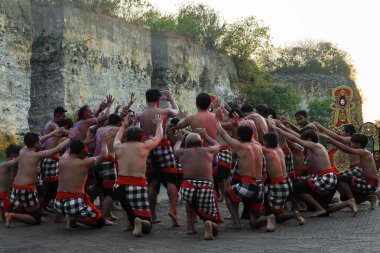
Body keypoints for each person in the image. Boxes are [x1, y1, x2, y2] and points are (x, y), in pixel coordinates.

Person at [269, 121, 358, 217]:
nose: (303, 142)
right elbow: (297, 137)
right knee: (324, 210)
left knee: (297, 188)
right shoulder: (317, 145)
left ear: (309, 139)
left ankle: (319, 208)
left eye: (305, 140)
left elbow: (295, 138)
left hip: (326, 178)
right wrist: (283, 127)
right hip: (331, 178)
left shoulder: (314, 145)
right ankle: (347, 203)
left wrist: (277, 128)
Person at [4, 128, 77, 227]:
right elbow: (58, 149)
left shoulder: (23, 150)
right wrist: (70, 138)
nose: (41, 142)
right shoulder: (36, 155)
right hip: (25, 190)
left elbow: (40, 139)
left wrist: (52, 134)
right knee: (36, 220)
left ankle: (24, 213)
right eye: (39, 142)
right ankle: (11, 215)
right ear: (35, 144)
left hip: (16, 187)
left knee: (39, 197)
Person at [215, 112, 275, 231]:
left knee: (227, 193)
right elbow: (249, 136)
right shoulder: (258, 145)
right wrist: (238, 125)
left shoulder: (239, 146)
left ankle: (237, 222)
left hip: (248, 185)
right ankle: (269, 218)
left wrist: (217, 120)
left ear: (239, 137)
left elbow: (222, 133)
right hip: (260, 186)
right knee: (254, 222)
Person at [113, 114, 164, 237]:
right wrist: (159, 124)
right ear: (141, 136)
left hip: (119, 187)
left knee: (127, 205)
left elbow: (116, 138)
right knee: (148, 224)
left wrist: (123, 126)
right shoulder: (144, 146)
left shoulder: (118, 147)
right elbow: (159, 137)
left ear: (126, 136)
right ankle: (139, 222)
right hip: (137, 186)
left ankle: (128, 224)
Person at [136, 89, 179, 225]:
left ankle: (153, 215)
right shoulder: (164, 112)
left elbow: (137, 129)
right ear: (158, 100)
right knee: (172, 179)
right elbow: (176, 111)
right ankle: (173, 210)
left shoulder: (140, 115)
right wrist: (171, 99)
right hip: (163, 145)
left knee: (152, 180)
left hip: (149, 147)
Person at [54, 132, 111, 230]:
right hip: (73, 203)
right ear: (81, 152)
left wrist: (76, 140)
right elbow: (104, 155)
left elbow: (69, 149)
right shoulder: (84, 162)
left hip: (58, 203)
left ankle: (71, 216)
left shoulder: (62, 159)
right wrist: (103, 143)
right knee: (99, 223)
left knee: (82, 207)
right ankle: (73, 217)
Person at [174, 128, 221, 240]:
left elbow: (175, 149)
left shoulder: (182, 152)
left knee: (189, 203)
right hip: (206, 189)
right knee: (214, 224)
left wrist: (179, 140)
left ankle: (190, 227)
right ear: (200, 143)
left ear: (186, 144)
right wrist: (206, 136)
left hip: (188, 188)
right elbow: (218, 145)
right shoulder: (208, 150)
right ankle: (209, 223)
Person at [321, 133, 378, 209]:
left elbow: (346, 149)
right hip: (367, 183)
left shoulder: (365, 152)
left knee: (340, 178)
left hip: (370, 185)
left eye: (352, 142)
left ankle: (352, 200)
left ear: (358, 144)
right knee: (344, 197)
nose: (350, 144)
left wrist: (330, 139)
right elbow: (345, 149)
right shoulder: (362, 151)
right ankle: (369, 198)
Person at [261, 133, 305, 228]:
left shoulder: (266, 151)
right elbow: (280, 139)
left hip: (279, 184)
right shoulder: (280, 150)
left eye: (263, 141)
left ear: (266, 143)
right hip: (287, 182)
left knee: (277, 216)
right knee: (267, 194)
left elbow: (253, 145)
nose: (262, 143)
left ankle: (292, 214)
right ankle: (285, 213)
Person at [93, 114, 123, 222]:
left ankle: (108, 214)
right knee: (112, 191)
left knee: (102, 189)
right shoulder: (119, 129)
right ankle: (103, 216)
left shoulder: (100, 129)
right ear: (119, 123)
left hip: (96, 160)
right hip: (107, 161)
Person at [0, 145, 21, 219]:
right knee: (20, 207)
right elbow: (13, 162)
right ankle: (5, 214)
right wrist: (24, 154)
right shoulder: (5, 165)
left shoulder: (9, 166)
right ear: (13, 155)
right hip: (3, 194)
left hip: (7, 193)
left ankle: (5, 212)